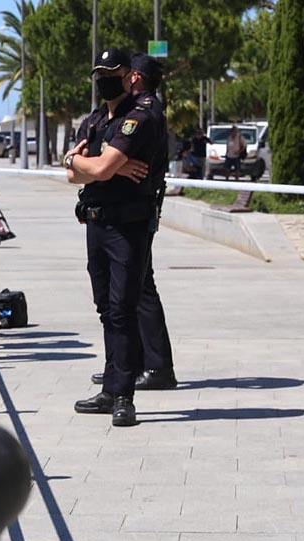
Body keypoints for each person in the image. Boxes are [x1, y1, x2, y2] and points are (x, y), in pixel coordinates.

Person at [63, 48, 165, 427]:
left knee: (123, 309)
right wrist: (83, 164)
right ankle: (110, 386)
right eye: (99, 73)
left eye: (112, 72)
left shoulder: (137, 118)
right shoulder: (93, 121)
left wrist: (91, 164)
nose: (104, 79)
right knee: (106, 308)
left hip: (128, 227)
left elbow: (101, 167)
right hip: (96, 223)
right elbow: (74, 173)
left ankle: (123, 396)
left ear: (128, 77)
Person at [89, 52, 177, 391]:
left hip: (134, 213)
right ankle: (127, 365)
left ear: (135, 77)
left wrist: (104, 166)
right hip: (125, 210)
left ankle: (154, 367)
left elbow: (102, 166)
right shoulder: (123, 112)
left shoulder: (145, 110)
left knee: (140, 289)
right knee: (133, 291)